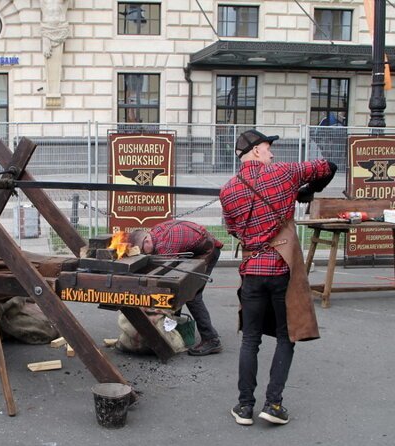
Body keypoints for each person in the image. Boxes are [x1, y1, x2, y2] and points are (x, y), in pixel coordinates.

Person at [219, 129, 336, 426]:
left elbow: (232, 229)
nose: (272, 154)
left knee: (250, 340)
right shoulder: (283, 173)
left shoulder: (227, 190)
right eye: (269, 148)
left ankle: (244, 407)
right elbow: (328, 166)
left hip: (251, 272)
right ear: (257, 151)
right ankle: (273, 404)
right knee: (286, 336)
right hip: (282, 269)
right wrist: (306, 190)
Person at [128, 220, 223, 356]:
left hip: (207, 251)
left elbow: (166, 280)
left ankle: (211, 339)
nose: (145, 255)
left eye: (143, 252)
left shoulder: (166, 244)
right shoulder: (154, 233)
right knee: (178, 291)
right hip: (192, 252)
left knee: (191, 294)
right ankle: (173, 331)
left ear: (147, 241)